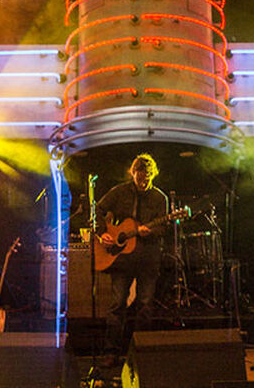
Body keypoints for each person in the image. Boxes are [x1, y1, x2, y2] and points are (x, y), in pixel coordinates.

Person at [96, 154, 169, 365]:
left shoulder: (159, 198)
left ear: (153, 175)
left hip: (147, 259)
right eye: (140, 178)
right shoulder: (119, 192)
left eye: (147, 178)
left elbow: (163, 228)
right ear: (133, 173)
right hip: (121, 260)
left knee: (145, 306)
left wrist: (151, 232)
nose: (143, 182)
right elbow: (97, 210)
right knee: (117, 304)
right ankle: (111, 353)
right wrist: (103, 233)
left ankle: (140, 353)